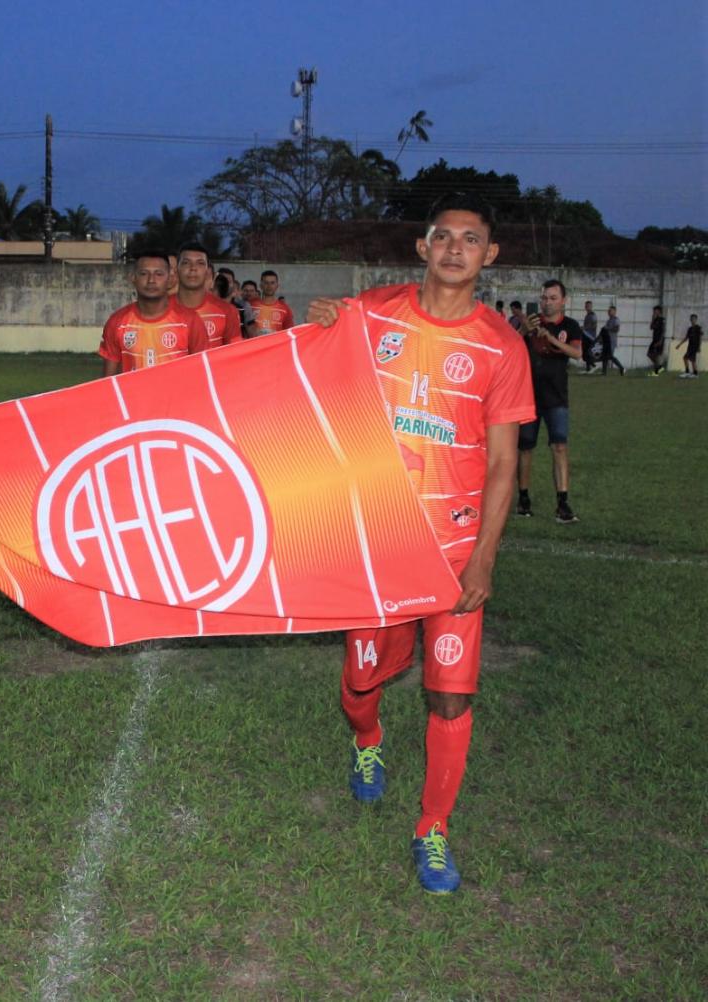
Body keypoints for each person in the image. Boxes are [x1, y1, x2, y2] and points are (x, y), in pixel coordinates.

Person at [305, 192, 534, 894]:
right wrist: (320, 327)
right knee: (363, 680)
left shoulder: (502, 345)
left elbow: (501, 463)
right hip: (379, 541)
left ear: (489, 256)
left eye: (472, 238)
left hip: (454, 549)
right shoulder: (372, 315)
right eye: (444, 236)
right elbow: (308, 381)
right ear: (422, 247)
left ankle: (432, 828)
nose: (456, 247)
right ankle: (367, 740)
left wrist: (486, 557)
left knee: (450, 697)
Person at [516, 280, 583, 523]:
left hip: (557, 397)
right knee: (524, 448)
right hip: (528, 397)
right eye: (544, 297)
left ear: (563, 301)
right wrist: (524, 330)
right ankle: (523, 500)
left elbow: (577, 353)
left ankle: (562, 504)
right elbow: (509, 348)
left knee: (560, 447)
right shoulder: (529, 323)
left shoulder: (571, 326)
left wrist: (551, 339)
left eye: (553, 298)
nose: (547, 302)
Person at [100, 251, 209, 376]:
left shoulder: (190, 321)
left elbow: (203, 373)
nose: (151, 280)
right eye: (144, 273)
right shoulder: (117, 322)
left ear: (170, 279)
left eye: (159, 274)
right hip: (133, 395)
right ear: (133, 278)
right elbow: (107, 381)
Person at [174, 242, 244, 351]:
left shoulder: (227, 311)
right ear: (176, 270)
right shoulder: (159, 309)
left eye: (200, 263)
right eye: (186, 263)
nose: (193, 268)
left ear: (207, 272)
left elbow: (236, 354)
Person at [217, 266, 259, 337]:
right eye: (222, 281)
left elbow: (253, 334)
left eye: (229, 281)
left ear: (233, 284)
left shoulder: (244, 306)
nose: (225, 284)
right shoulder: (208, 306)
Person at [252, 270, 296, 336]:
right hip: (255, 346)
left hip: (276, 346)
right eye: (266, 283)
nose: (269, 286)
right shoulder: (251, 306)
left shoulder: (285, 309)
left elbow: (289, 333)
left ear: (277, 286)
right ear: (261, 285)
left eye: (272, 283)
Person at [600, 305, 625, 375]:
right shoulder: (608, 321)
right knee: (604, 356)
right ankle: (604, 372)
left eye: (610, 311)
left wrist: (608, 329)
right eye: (608, 311)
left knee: (610, 356)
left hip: (612, 341)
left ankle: (621, 367)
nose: (609, 312)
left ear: (614, 311)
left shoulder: (616, 320)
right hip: (606, 340)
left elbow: (616, 329)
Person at [647, 306, 667, 376]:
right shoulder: (655, 319)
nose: (654, 312)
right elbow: (651, 327)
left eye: (655, 311)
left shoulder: (662, 320)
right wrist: (652, 319)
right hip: (654, 339)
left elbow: (663, 330)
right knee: (649, 354)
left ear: (659, 311)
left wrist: (660, 341)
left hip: (659, 339)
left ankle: (656, 372)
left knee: (656, 355)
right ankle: (659, 367)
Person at [580, 300, 599, 373]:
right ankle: (588, 369)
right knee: (585, 353)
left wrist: (585, 328)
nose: (587, 307)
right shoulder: (587, 315)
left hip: (590, 337)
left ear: (591, 307)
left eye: (588, 306)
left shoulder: (592, 315)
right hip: (586, 335)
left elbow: (594, 325)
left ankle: (594, 365)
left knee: (586, 353)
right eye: (586, 306)